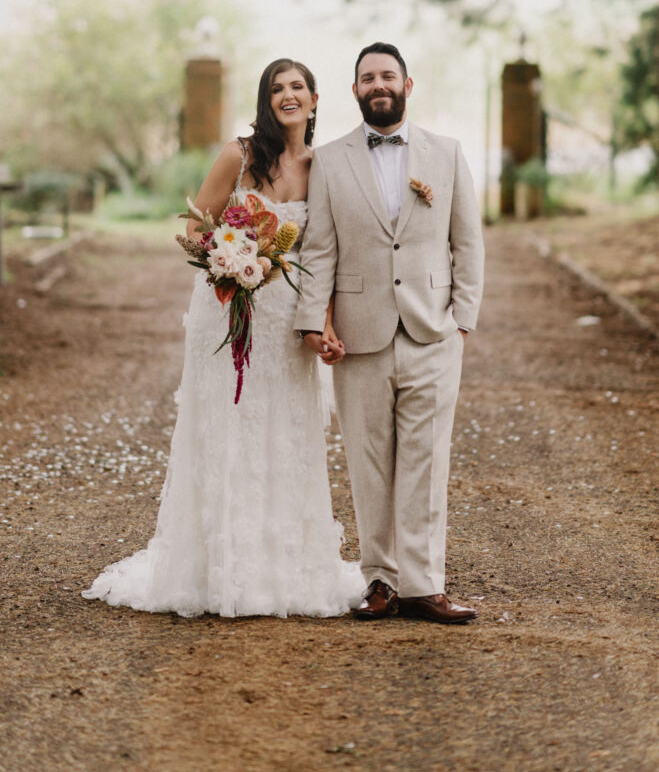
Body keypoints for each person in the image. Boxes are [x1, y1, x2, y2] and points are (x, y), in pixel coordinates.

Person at [82, 59, 364, 618]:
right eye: (277, 88)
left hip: (287, 321)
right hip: (229, 311)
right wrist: (226, 259)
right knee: (228, 431)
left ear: (314, 100)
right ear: (266, 100)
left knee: (283, 433)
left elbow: (322, 252)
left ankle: (283, 569)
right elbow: (192, 229)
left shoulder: (323, 165)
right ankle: (219, 568)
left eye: (297, 87)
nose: (288, 95)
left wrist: (323, 320)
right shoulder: (239, 155)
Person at [295, 42, 484, 623]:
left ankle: (425, 584)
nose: (378, 84)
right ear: (354, 91)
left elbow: (467, 242)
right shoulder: (329, 160)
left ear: (407, 84)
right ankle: (380, 579)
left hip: (432, 332)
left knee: (427, 460)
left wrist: (463, 322)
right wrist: (311, 321)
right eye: (367, 77)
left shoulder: (447, 154)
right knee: (368, 459)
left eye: (387, 75)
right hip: (360, 333)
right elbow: (319, 249)